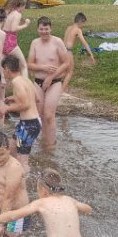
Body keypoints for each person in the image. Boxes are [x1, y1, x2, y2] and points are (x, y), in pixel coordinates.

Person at [27, 17, 71, 148]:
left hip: (54, 82)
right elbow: (30, 64)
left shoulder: (57, 42)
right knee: (40, 115)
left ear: (51, 29)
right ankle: (44, 140)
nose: (44, 32)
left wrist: (51, 77)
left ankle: (51, 146)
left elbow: (66, 63)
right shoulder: (35, 43)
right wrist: (43, 68)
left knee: (49, 115)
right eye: (41, 29)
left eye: (46, 29)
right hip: (38, 82)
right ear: (37, 29)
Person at [0, 55, 42, 176]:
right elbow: (37, 98)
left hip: (28, 125)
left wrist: (7, 108)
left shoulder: (16, 82)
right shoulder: (25, 79)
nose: (3, 73)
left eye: (3, 70)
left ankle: (24, 181)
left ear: (7, 69)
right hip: (30, 123)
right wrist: (13, 98)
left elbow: (25, 104)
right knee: (11, 149)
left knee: (22, 160)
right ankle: (6, 174)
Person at [62, 12, 96, 92]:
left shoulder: (68, 27)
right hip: (68, 52)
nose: (83, 25)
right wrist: (91, 54)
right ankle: (60, 91)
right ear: (80, 21)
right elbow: (85, 43)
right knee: (70, 72)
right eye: (83, 23)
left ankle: (56, 87)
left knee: (63, 71)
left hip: (61, 50)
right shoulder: (78, 30)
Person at [2, 0, 31, 79]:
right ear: (21, 5)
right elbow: (13, 29)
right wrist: (25, 25)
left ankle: (6, 84)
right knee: (23, 66)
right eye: (24, 6)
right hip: (11, 44)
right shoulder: (17, 14)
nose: (24, 8)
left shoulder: (8, 13)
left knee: (6, 67)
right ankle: (25, 85)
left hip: (3, 42)